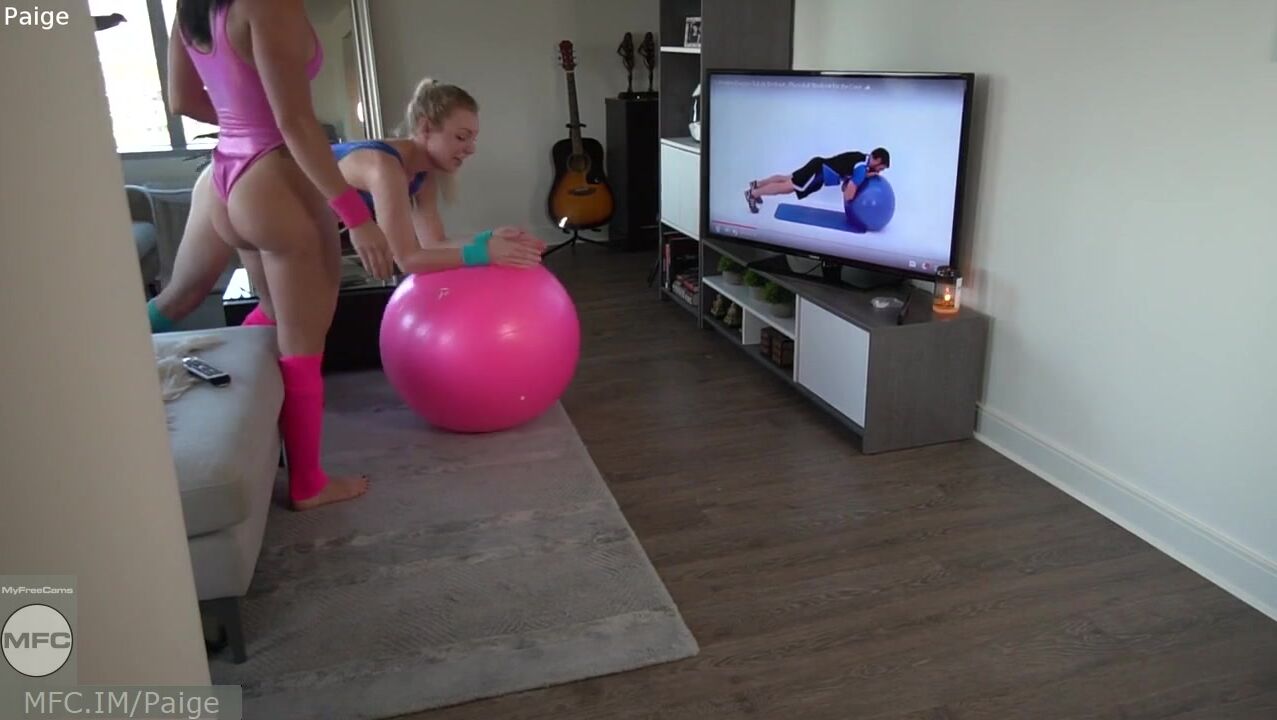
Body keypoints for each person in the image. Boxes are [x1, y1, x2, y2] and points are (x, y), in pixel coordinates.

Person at [168, 0, 395, 510]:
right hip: (274, 176)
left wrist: (243, 122)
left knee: (274, 315)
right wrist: (357, 217)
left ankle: (237, 400)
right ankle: (309, 483)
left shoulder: (193, 7)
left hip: (227, 175)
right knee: (303, 344)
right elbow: (295, 121)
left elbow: (182, 99)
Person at [146, 78, 546, 330]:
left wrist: (487, 239)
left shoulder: (422, 175)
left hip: (280, 215)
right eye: (461, 137)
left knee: (278, 313)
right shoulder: (384, 167)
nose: (471, 148)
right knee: (184, 296)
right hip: (237, 188)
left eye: (473, 138)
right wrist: (483, 254)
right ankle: (125, 354)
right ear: (426, 129)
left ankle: (243, 376)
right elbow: (407, 260)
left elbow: (433, 243)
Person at [745, 147, 890, 213]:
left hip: (818, 165)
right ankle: (753, 194)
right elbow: (848, 194)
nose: (879, 171)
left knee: (787, 179)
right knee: (786, 187)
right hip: (817, 172)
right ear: (877, 159)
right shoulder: (861, 168)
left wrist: (867, 176)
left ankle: (757, 184)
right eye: (881, 168)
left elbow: (848, 175)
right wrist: (854, 203)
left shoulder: (862, 159)